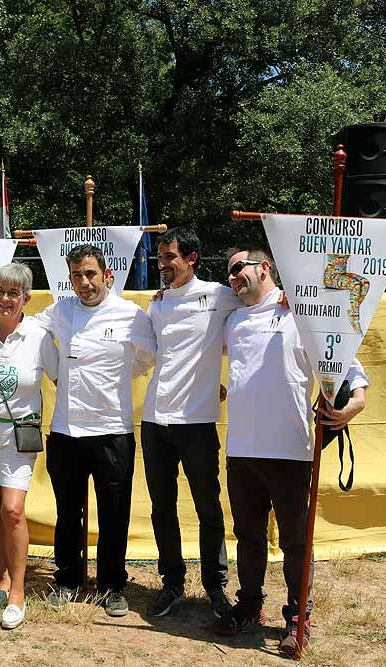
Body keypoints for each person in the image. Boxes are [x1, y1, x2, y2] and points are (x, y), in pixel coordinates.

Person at [217, 246, 369, 657]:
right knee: (247, 537)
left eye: (238, 269)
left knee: (295, 542)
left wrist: (355, 401)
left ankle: (298, 616)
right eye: (228, 274)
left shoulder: (303, 310)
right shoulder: (231, 319)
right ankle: (249, 606)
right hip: (242, 450)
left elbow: (346, 363)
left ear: (264, 267)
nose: (232, 279)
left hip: (290, 450)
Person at [31, 244, 156, 618]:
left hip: (112, 431)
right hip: (67, 432)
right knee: (69, 513)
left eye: (90, 274)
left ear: (107, 276)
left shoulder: (131, 314)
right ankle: (68, 580)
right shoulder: (61, 311)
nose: (84, 283)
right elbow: (31, 333)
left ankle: (113, 585)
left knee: (114, 513)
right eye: (76, 276)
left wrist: (119, 376)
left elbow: (147, 355)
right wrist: (55, 372)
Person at [142, 228, 241, 618]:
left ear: (192, 258)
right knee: (161, 507)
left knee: (207, 507)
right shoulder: (158, 304)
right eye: (160, 258)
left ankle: (216, 588)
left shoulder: (220, 295)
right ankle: (172, 583)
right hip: (154, 420)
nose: (163, 265)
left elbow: (257, 307)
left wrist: (283, 296)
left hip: (197, 422)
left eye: (170, 258)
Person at [0, 263, 58, 630]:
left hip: (19, 432)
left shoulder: (37, 335)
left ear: (26, 298)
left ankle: (18, 591)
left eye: (13, 293)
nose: (5, 299)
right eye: (0, 291)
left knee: (13, 510)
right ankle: (3, 578)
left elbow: (60, 378)